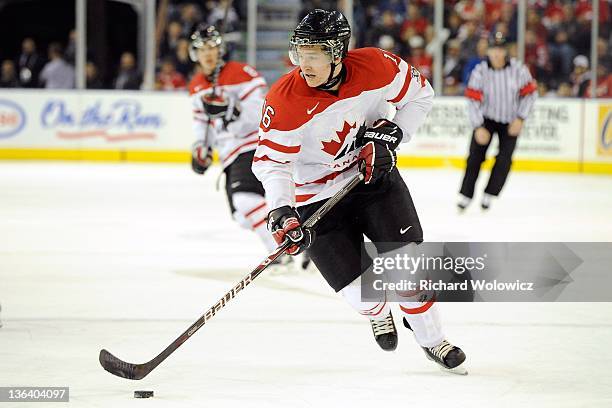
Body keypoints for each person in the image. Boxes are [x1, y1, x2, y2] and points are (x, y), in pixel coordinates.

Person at [252, 9, 467, 374]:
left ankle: (432, 340)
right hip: (315, 198)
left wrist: (393, 135)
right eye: (300, 53)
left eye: (314, 54)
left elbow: (420, 95)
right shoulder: (285, 99)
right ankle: (378, 312)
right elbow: (272, 164)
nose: (305, 63)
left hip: (371, 179)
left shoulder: (377, 67)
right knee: (362, 295)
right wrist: (282, 211)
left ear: (338, 53)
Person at [188, 24, 288, 267]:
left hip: (255, 145)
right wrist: (201, 147)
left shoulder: (243, 73)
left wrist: (232, 108)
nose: (208, 54)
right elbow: (203, 122)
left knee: (245, 200)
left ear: (221, 50)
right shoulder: (197, 86)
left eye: (212, 48)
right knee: (242, 215)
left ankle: (281, 248)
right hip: (231, 154)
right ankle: (293, 229)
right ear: (195, 54)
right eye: (203, 50)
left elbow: (262, 114)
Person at [459, 32, 537, 210]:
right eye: (493, 49)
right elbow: (473, 100)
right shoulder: (480, 71)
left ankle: (489, 193)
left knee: (504, 160)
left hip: (511, 120)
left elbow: (531, 94)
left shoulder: (519, 69)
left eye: (500, 49)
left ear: (505, 51)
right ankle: (466, 195)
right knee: (474, 158)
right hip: (486, 119)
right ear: (488, 51)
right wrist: (478, 126)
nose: (496, 53)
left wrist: (520, 118)